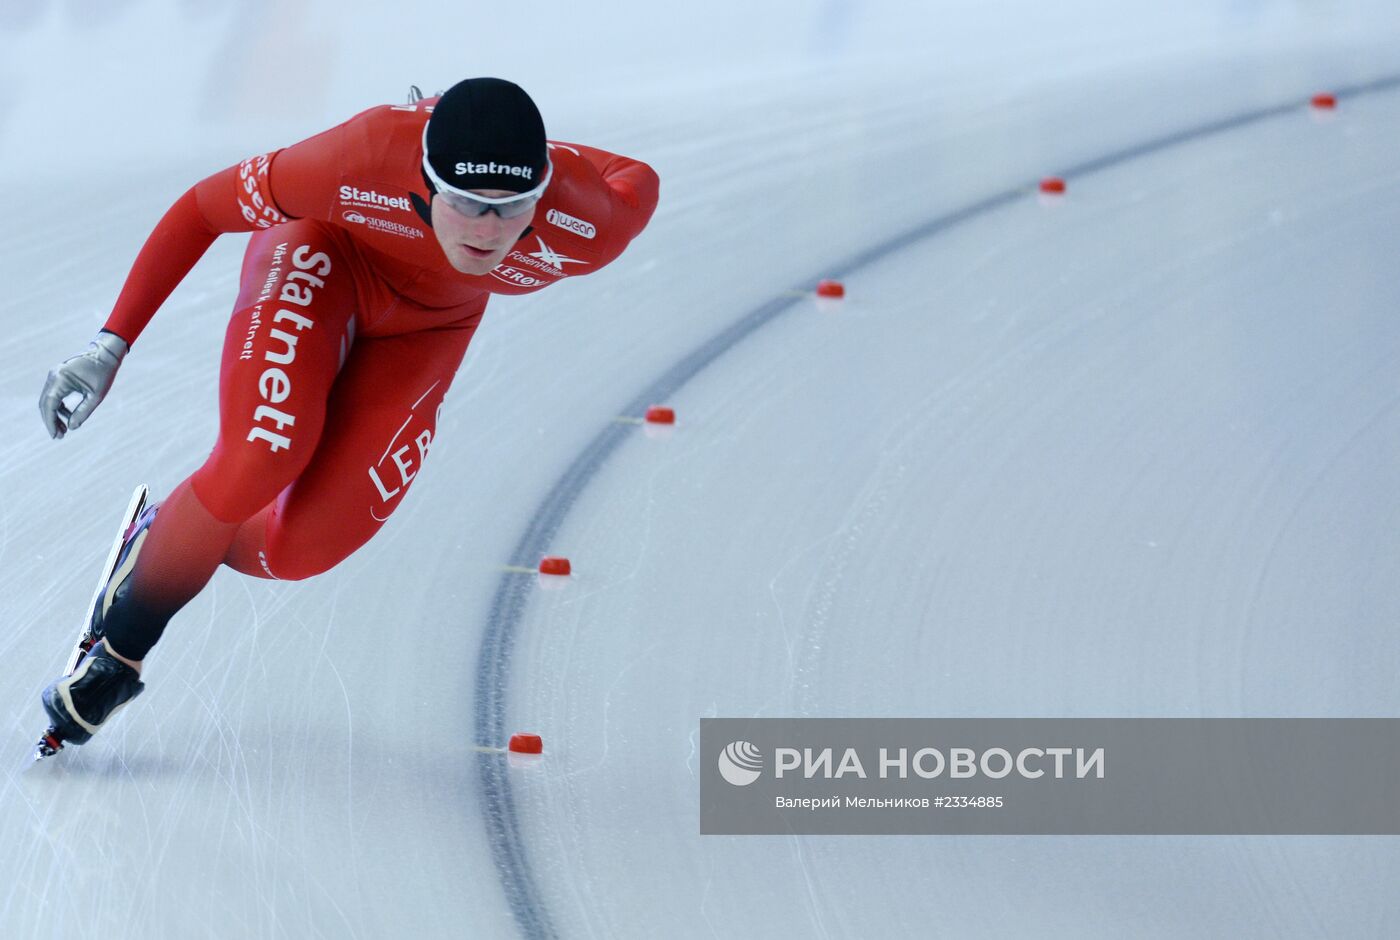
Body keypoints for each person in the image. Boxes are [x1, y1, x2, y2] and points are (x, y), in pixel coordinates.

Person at [36, 77, 660, 750]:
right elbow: (202, 209)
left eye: (512, 209)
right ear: (422, 181)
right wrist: (111, 343)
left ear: (542, 195)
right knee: (264, 455)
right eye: (464, 203)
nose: (487, 231)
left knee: (296, 550)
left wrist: (522, 150)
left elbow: (640, 176)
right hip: (322, 256)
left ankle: (170, 535)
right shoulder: (362, 158)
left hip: (428, 330)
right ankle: (120, 656)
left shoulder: (589, 222)